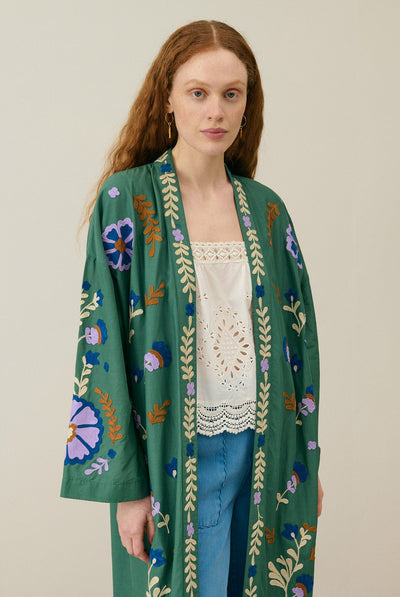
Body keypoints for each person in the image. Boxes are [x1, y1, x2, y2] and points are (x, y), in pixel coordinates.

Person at [61, 19, 323, 597]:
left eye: (232, 94)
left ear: (248, 104)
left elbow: (300, 344)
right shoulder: (127, 201)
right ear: (168, 99)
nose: (216, 112)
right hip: (171, 453)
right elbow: (100, 341)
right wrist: (128, 489)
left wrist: (307, 458)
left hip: (266, 445)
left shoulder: (267, 210)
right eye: (198, 93)